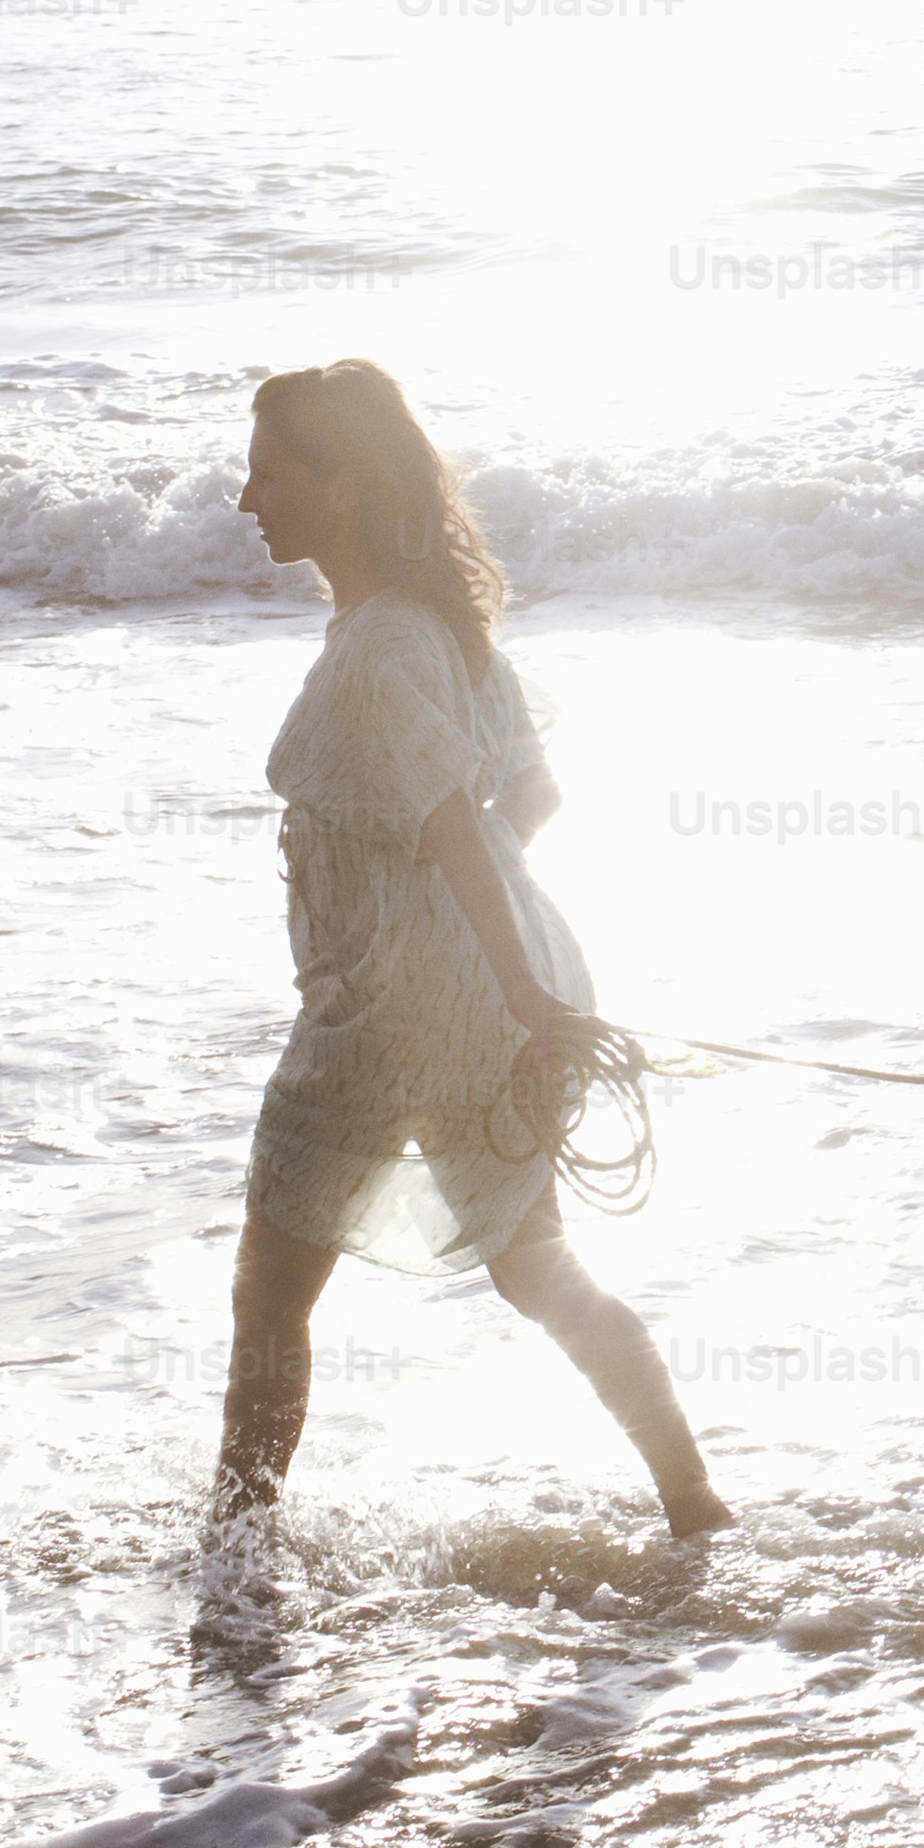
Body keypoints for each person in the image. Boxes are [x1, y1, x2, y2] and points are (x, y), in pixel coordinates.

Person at [211, 360, 729, 1540]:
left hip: (385, 1014)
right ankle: (694, 1498)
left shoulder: (380, 648)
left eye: (269, 472)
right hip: (472, 1000)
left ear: (339, 487)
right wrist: (499, 969)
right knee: (537, 1267)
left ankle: (233, 1546)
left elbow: (452, 821)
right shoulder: (446, 631)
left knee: (270, 1296)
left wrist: (504, 979)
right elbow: (527, 799)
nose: (249, 499)